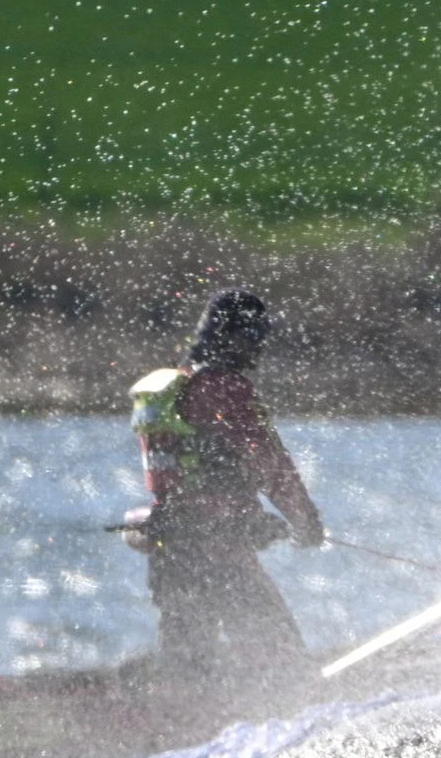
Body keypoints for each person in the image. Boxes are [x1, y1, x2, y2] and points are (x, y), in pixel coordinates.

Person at [125, 288, 325, 673]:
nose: (260, 347)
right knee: (279, 655)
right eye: (254, 336)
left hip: (171, 546)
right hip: (219, 550)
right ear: (230, 336)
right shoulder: (225, 388)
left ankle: (175, 719)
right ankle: (285, 710)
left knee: (186, 658)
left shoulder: (177, 386)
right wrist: (305, 519)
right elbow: (269, 463)